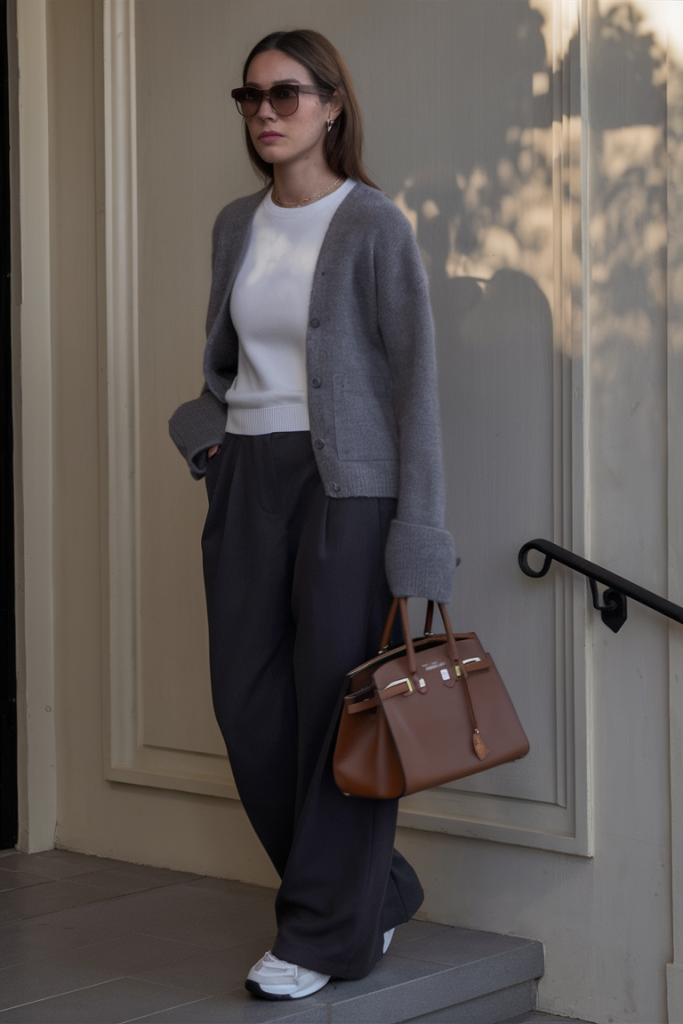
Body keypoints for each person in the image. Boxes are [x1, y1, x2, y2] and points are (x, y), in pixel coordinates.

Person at [169, 28, 456, 1001]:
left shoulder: (371, 226)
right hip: (246, 479)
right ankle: (374, 886)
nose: (264, 112)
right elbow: (224, 363)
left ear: (331, 104)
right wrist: (206, 439)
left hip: (348, 491)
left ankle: (320, 932)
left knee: (341, 711)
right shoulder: (232, 225)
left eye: (285, 94)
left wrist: (417, 538)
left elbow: (414, 387)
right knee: (247, 707)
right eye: (249, 96)